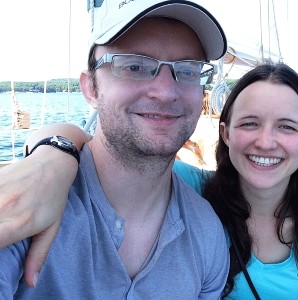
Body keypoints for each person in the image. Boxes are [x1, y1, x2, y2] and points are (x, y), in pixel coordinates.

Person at [0, 61, 298, 299]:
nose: (266, 141)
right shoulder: (193, 188)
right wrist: (52, 155)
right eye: (249, 123)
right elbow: (107, 152)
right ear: (226, 134)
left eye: (286, 127)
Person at [0, 0, 231, 298]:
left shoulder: (207, 233)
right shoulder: (25, 207)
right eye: (134, 66)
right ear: (91, 89)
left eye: (187, 71)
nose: (165, 91)